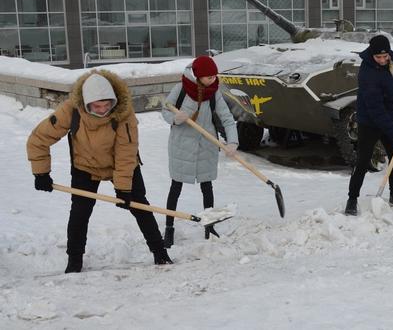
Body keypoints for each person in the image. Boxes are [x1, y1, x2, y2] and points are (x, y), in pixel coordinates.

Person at [27, 70, 173, 273]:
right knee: (80, 212)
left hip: (122, 165)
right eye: (97, 106)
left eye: (107, 105)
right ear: (86, 102)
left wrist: (123, 188)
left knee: (140, 206)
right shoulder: (71, 110)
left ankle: (159, 252)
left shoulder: (123, 112)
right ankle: (74, 261)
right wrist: (41, 173)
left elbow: (126, 150)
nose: (103, 110)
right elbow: (39, 138)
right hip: (85, 166)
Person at [161, 55, 239, 246]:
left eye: (214, 75)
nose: (213, 79)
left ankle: (209, 226)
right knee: (175, 187)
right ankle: (169, 229)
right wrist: (176, 118)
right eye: (208, 76)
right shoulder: (181, 89)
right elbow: (165, 110)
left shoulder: (214, 92)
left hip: (207, 145)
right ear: (197, 75)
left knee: (207, 187)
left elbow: (227, 118)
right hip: (182, 146)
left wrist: (232, 142)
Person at [345, 34, 393, 216]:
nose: (383, 60)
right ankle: (352, 199)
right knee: (363, 161)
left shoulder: (392, 59)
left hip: (389, 118)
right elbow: (375, 111)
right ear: (372, 54)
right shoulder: (367, 74)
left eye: (385, 56)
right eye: (379, 57)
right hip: (370, 121)